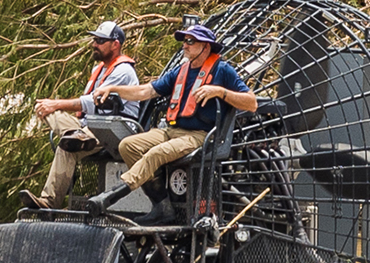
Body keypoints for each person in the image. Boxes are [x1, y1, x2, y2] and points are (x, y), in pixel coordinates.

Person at [87, 21, 257, 212]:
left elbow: (251, 103)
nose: (185, 45)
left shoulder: (222, 70)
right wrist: (112, 88)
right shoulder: (180, 71)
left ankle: (112, 195)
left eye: (191, 41)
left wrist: (220, 92)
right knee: (128, 146)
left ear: (206, 46)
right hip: (171, 130)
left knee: (156, 153)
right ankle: (162, 205)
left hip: (199, 136)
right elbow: (145, 91)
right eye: (184, 41)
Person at [27, 21, 140, 208]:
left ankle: (49, 201)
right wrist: (50, 106)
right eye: (94, 39)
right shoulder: (98, 70)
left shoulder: (123, 71)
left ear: (115, 44)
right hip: (88, 125)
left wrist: (56, 103)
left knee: (66, 145)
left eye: (100, 40)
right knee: (45, 109)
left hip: (113, 128)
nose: (94, 44)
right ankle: (75, 134)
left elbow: (92, 103)